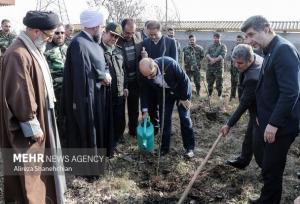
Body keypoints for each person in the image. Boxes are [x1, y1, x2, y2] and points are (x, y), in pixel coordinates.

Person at [0, 11, 66, 203]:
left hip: (42, 116)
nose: (49, 39)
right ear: (35, 31)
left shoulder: (30, 49)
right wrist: (32, 126)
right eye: (48, 35)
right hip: (28, 126)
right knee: (30, 171)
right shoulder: (18, 54)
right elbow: (20, 94)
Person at [241, 15, 300, 204]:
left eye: (251, 35)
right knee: (268, 166)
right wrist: (260, 116)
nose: (249, 41)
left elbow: (291, 92)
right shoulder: (270, 50)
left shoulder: (283, 50)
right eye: (246, 37)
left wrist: (273, 123)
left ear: (266, 28)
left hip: (281, 126)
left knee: (272, 169)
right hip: (269, 121)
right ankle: (266, 198)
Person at [61, 8, 114, 157]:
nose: (102, 29)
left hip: (97, 97)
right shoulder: (79, 43)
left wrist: (106, 73)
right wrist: (101, 78)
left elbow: (101, 64)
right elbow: (81, 76)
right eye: (101, 26)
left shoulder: (92, 42)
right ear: (95, 26)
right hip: (85, 100)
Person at [139, 57, 195, 157]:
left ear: (155, 66)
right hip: (165, 93)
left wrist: (184, 97)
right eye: (147, 76)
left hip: (181, 90)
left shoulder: (170, 64)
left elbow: (184, 80)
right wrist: (145, 110)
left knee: (184, 117)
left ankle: (189, 148)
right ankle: (164, 149)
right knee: (164, 119)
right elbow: (144, 92)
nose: (149, 78)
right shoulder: (146, 73)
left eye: (151, 75)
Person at [219, 44, 263, 169]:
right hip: (256, 105)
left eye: (239, 63)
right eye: (234, 62)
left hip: (263, 111)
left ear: (249, 60)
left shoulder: (253, 78)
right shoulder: (253, 57)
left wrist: (228, 124)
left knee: (258, 143)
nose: (236, 66)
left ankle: (267, 170)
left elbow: (243, 105)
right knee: (249, 136)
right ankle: (243, 161)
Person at [141, 20, 178, 134]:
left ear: (159, 30)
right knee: (152, 108)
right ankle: (155, 129)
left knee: (164, 109)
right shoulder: (145, 43)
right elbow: (144, 65)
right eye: (150, 34)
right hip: (151, 82)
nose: (152, 37)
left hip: (165, 82)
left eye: (154, 34)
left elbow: (174, 63)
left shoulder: (170, 42)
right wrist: (144, 58)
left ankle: (164, 130)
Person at [100, 22, 127, 148]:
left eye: (117, 37)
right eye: (112, 35)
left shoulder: (119, 51)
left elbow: (123, 70)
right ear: (104, 32)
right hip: (106, 93)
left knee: (120, 115)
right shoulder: (97, 50)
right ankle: (109, 141)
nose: (114, 39)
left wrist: (125, 86)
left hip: (120, 91)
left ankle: (119, 137)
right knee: (107, 118)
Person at [117, 18, 143, 137]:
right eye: (127, 33)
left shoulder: (138, 38)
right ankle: (120, 133)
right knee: (120, 110)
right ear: (122, 29)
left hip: (135, 81)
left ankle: (133, 131)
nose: (130, 35)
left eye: (132, 32)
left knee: (134, 108)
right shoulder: (116, 41)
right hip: (122, 82)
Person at [205, 32, 227, 98]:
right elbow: (206, 54)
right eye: (215, 38)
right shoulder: (210, 46)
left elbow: (222, 55)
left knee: (219, 83)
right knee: (209, 82)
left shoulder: (223, 46)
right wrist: (211, 59)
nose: (216, 39)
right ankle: (209, 95)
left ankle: (219, 96)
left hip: (218, 68)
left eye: (217, 38)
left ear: (220, 38)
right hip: (210, 68)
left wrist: (214, 60)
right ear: (213, 38)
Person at [230, 34, 245, 100]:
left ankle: (241, 98)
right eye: (237, 40)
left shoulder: (245, 48)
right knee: (233, 83)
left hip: (241, 69)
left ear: (242, 41)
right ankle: (232, 97)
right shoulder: (234, 48)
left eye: (240, 40)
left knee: (240, 84)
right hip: (233, 69)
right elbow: (232, 58)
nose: (238, 41)